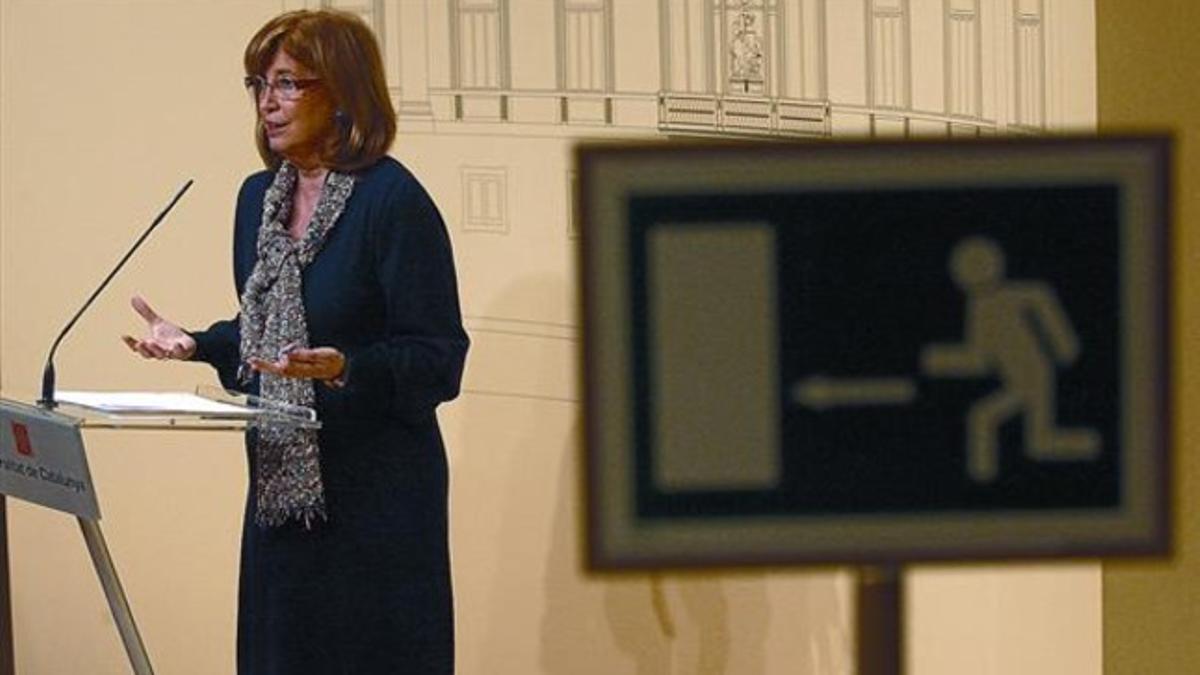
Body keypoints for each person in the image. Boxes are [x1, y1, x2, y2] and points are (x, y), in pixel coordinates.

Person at [122, 9, 468, 674]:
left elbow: (438, 357)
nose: (267, 103)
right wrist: (194, 343)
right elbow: (263, 340)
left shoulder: (393, 202)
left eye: (287, 84)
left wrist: (346, 370)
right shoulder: (259, 199)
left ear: (341, 92)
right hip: (282, 497)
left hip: (376, 504)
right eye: (257, 84)